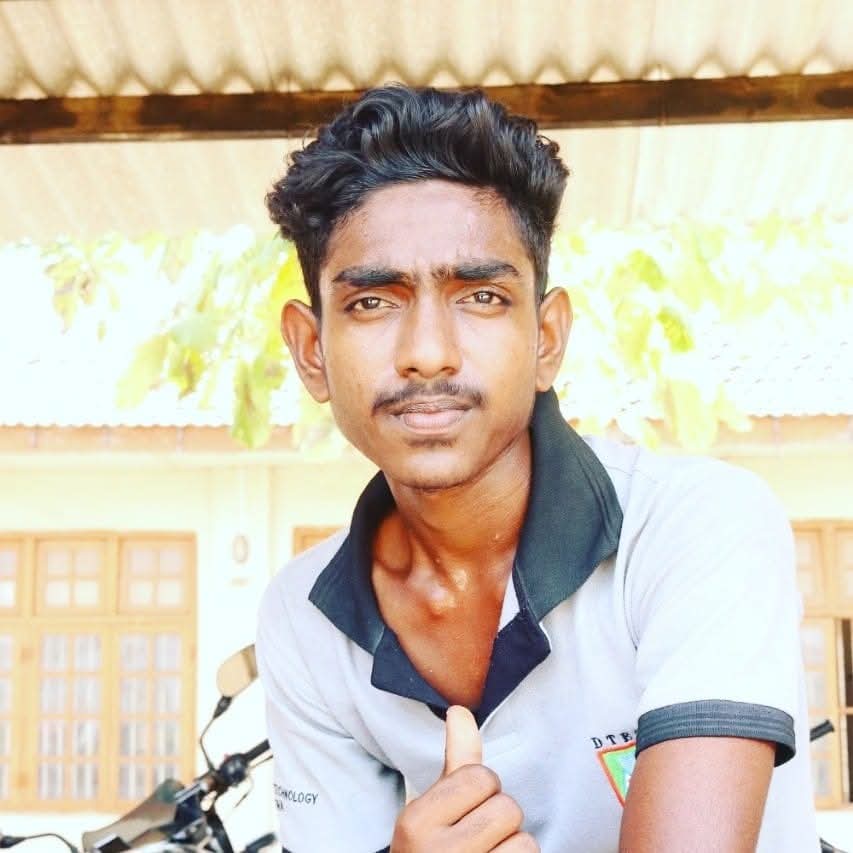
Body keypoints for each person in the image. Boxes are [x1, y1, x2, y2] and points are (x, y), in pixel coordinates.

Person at [256, 84, 818, 852]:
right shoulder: (305, 615)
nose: (427, 351)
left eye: (480, 295)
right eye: (372, 303)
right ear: (310, 350)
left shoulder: (695, 525)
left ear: (547, 338)